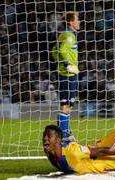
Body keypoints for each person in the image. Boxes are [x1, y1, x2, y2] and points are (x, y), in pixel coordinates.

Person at [43, 125, 115, 174]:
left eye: (48, 136)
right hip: (86, 162)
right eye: (44, 135)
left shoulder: (73, 152)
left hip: (103, 168)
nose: (45, 138)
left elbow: (100, 150)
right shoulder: (50, 150)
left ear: (58, 140)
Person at [51, 11, 80, 139]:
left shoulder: (65, 34)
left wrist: (59, 63)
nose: (79, 22)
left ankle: (64, 131)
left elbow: (54, 51)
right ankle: (64, 133)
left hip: (68, 72)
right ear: (71, 22)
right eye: (77, 19)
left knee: (68, 104)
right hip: (68, 73)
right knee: (65, 104)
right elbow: (61, 50)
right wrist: (67, 64)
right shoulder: (69, 36)